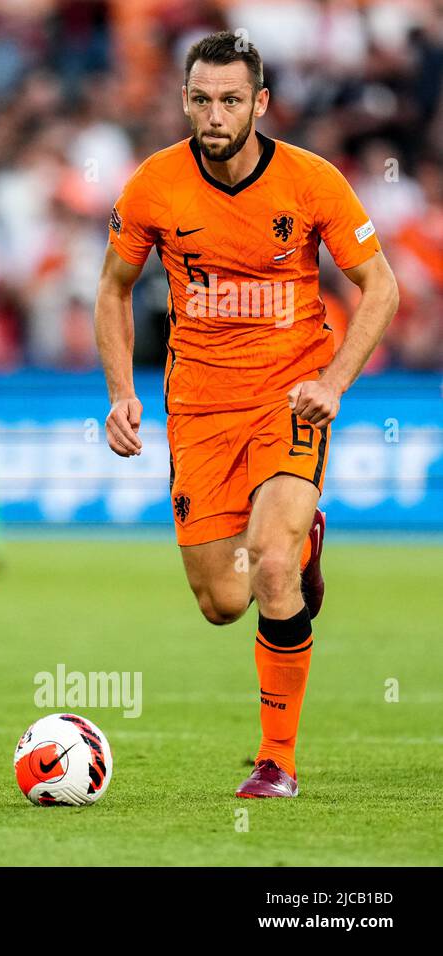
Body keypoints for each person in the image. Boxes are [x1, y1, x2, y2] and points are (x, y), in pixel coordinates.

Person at [94, 33, 399, 797]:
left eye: (232, 99)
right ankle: (302, 548)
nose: (215, 113)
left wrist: (331, 381)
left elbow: (382, 287)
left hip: (290, 396)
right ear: (185, 99)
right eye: (202, 98)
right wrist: (120, 392)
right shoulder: (154, 187)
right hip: (198, 409)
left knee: (268, 561)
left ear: (260, 103)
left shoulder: (312, 181)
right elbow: (112, 290)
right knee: (223, 601)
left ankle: (277, 761)